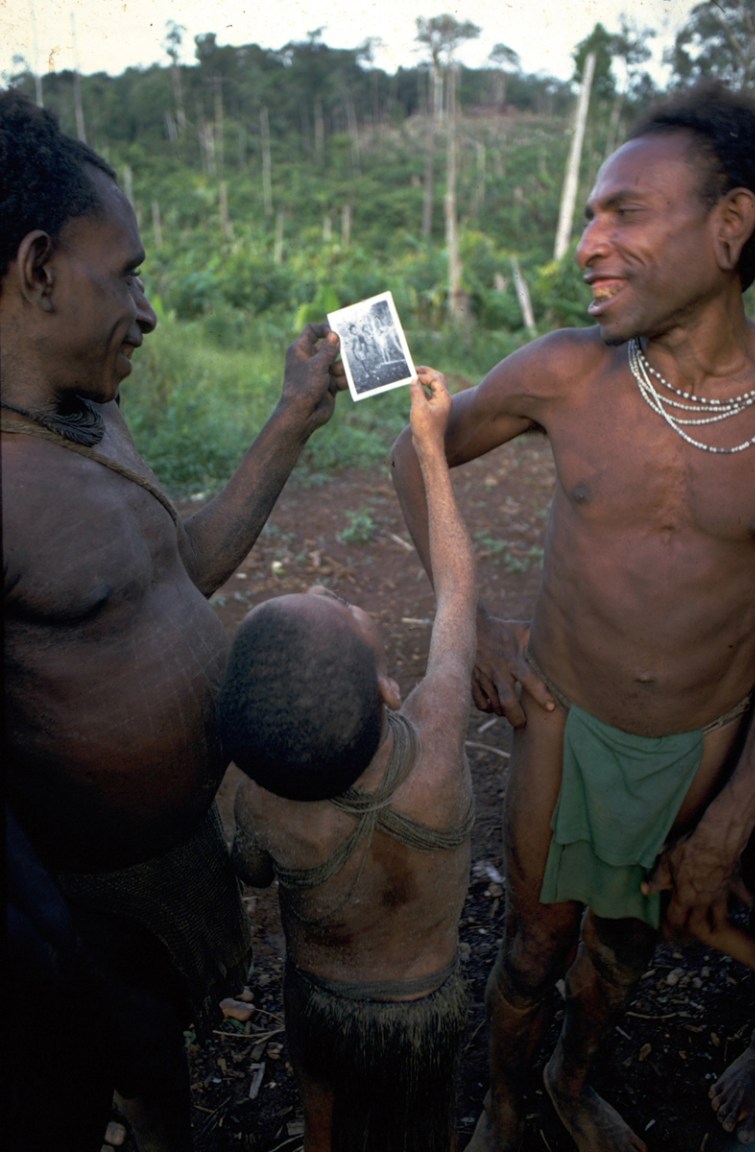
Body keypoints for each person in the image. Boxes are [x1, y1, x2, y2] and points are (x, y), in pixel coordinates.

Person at [390, 80, 755, 1152]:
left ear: (731, 226)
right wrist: (481, 614)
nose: (589, 244)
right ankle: (506, 1106)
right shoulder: (566, 374)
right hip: (564, 722)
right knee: (532, 946)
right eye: (590, 214)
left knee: (623, 952)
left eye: (626, 212)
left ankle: (572, 1074)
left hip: (702, 742)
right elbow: (412, 456)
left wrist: (736, 811)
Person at [1, 89, 345, 1152]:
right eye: (130, 274)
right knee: (102, 1052)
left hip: (175, 857)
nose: (147, 312)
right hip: (78, 909)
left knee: (156, 1052)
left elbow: (180, 566)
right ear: (40, 268)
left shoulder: (94, 408)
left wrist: (292, 418)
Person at [219, 369, 477, 1152]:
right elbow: (458, 597)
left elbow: (255, 873)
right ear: (391, 690)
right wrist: (430, 447)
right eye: (348, 615)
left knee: (320, 1084)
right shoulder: (436, 736)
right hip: (426, 1003)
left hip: (327, 999)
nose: (337, 593)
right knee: (426, 1114)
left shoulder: (266, 805)